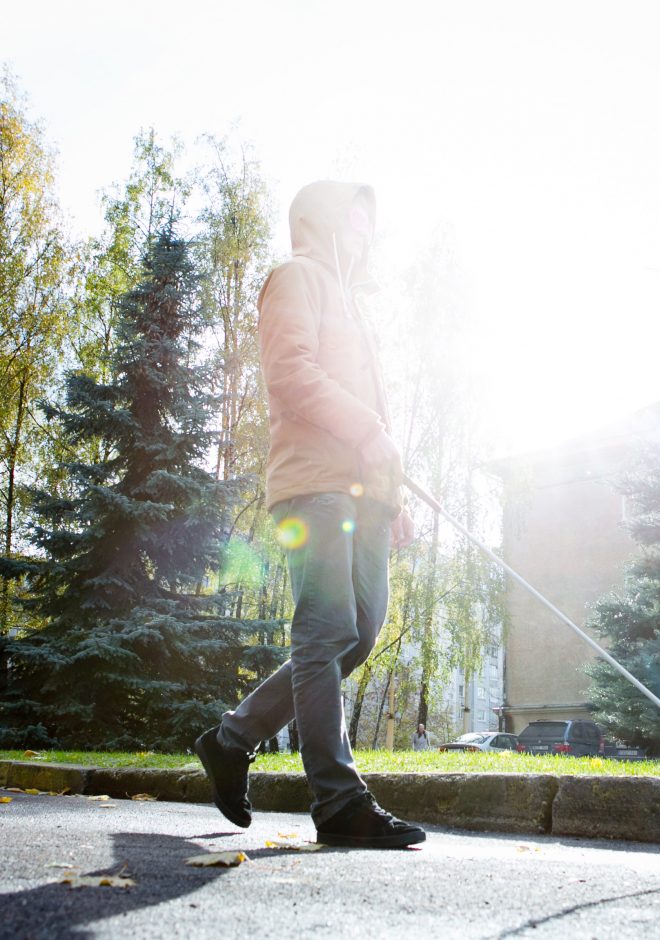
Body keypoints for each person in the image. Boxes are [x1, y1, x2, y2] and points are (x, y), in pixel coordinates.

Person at [195, 181, 425, 849]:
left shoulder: (356, 308)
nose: (365, 232)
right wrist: (366, 434)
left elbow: (372, 422)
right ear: (320, 221)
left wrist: (395, 494)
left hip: (366, 497)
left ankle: (232, 738)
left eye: (369, 222)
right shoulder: (295, 278)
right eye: (354, 219)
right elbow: (289, 373)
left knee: (358, 632)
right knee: (323, 632)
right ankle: (339, 801)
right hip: (315, 488)